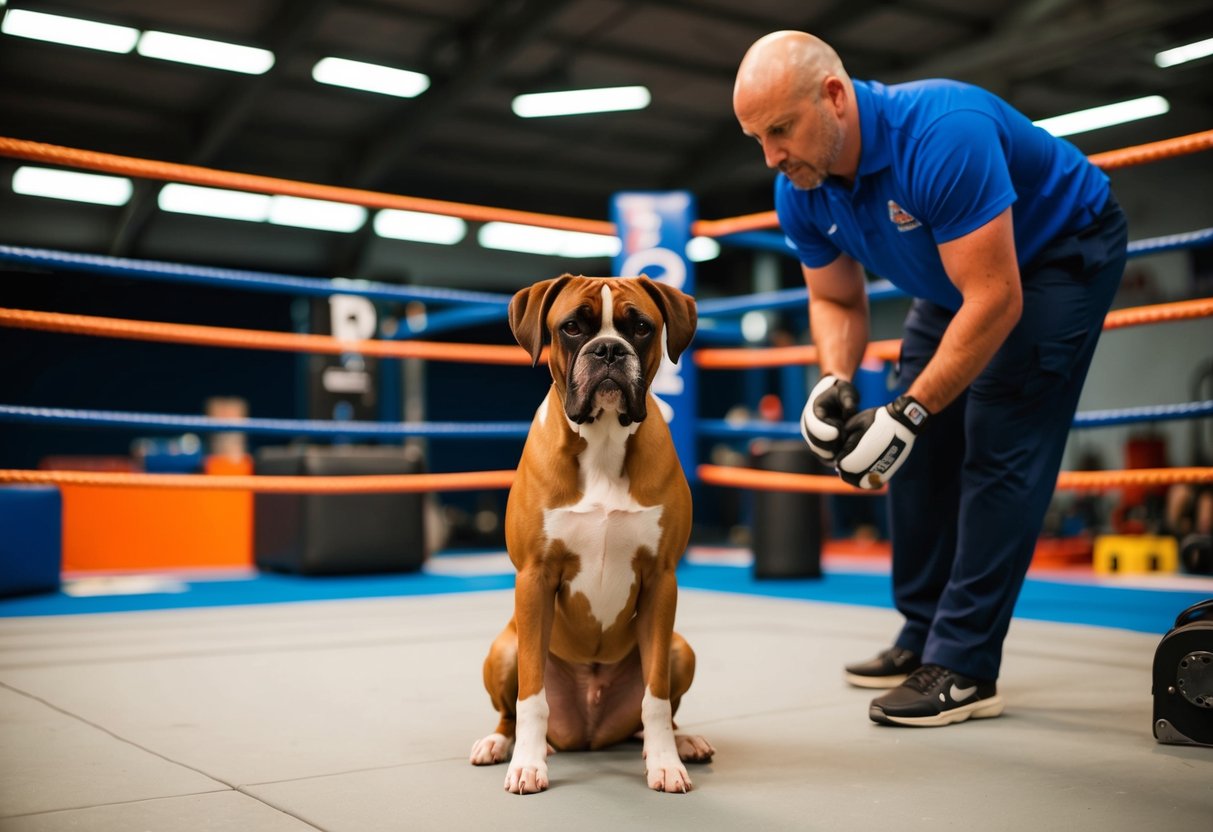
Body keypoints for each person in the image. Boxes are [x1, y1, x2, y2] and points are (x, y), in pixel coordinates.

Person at [733, 31, 1127, 727]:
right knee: (905, 452)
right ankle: (922, 634)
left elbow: (998, 297)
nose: (770, 155)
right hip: (955, 278)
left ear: (833, 97)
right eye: (756, 138)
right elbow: (834, 299)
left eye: (780, 130)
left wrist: (910, 410)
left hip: (1055, 256)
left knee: (996, 441)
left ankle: (965, 665)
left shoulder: (943, 132)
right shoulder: (800, 185)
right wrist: (834, 380)